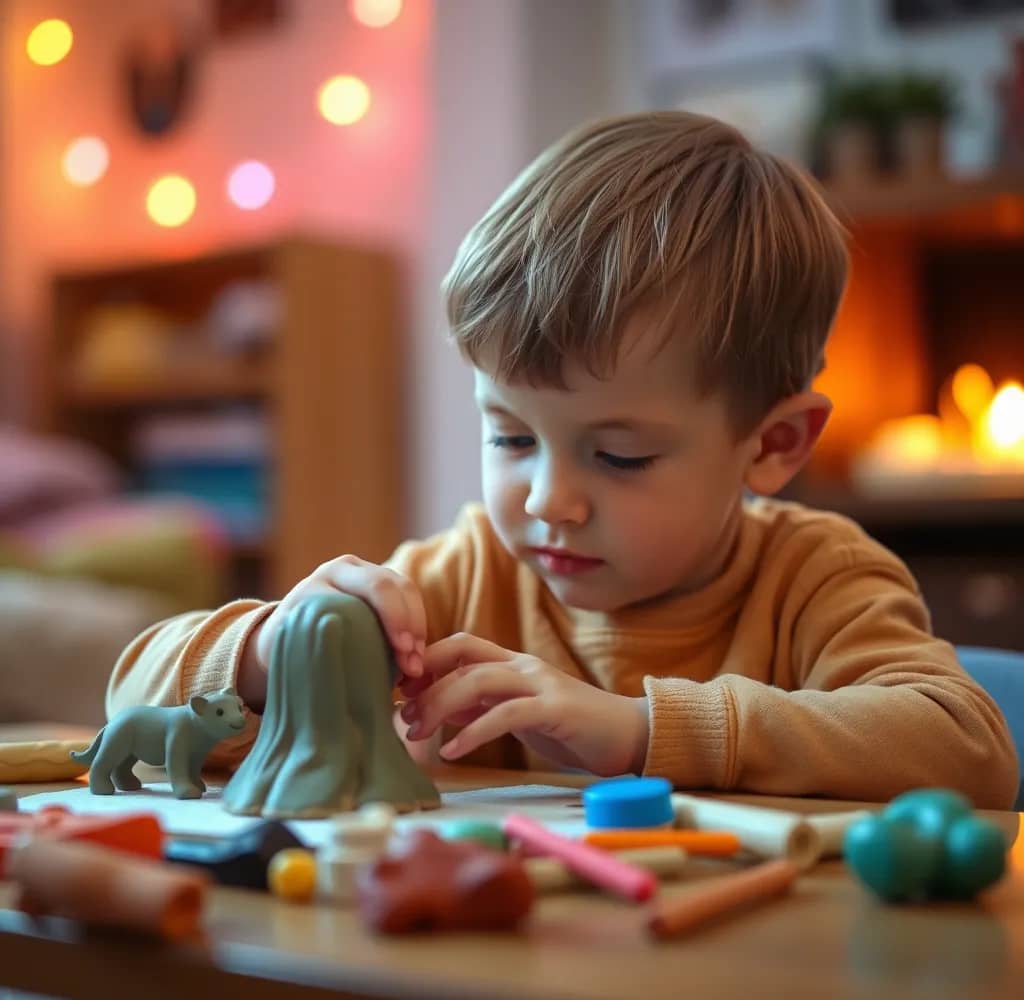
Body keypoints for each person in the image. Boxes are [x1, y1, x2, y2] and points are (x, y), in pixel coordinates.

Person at [109, 112, 1018, 808]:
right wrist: (273, 650)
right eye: (510, 436)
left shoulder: (816, 579)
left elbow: (969, 749)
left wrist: (641, 733)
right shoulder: (459, 582)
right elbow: (128, 711)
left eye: (619, 456)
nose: (550, 500)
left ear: (773, 445)